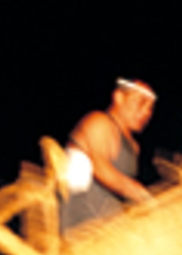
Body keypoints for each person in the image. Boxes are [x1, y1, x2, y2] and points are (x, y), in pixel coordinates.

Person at [61, 79, 157, 233]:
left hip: (110, 226)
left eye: (150, 107)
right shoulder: (98, 122)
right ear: (119, 97)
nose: (146, 112)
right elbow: (101, 169)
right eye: (141, 102)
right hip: (80, 227)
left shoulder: (134, 147)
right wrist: (143, 196)